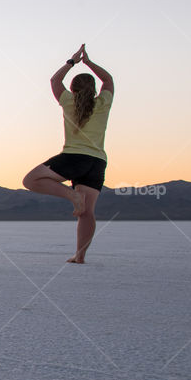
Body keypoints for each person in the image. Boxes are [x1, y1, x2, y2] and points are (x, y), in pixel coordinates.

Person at [22, 44, 114, 264]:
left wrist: (71, 61)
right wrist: (89, 62)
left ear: (73, 89)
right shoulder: (103, 102)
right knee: (87, 212)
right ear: (93, 89)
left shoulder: (68, 101)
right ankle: (80, 256)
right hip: (98, 162)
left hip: (74, 157)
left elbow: (54, 81)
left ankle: (72, 196)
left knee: (30, 180)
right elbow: (108, 80)